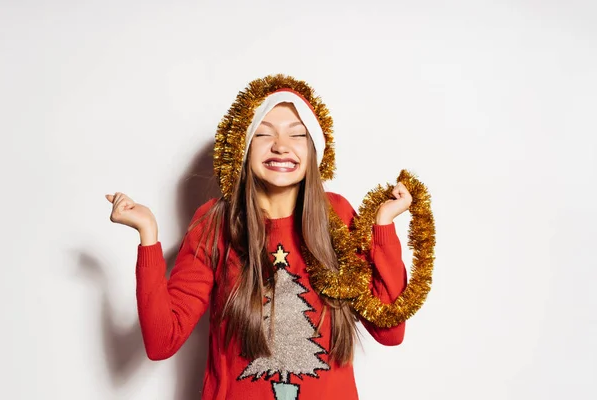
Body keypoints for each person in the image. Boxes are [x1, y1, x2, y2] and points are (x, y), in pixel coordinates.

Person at [105, 74, 412, 400]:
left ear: (313, 151)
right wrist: (148, 236)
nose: (281, 145)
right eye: (265, 134)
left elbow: (390, 331)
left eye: (297, 135)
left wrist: (382, 228)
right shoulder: (214, 222)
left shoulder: (338, 216)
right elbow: (162, 341)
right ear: (243, 146)